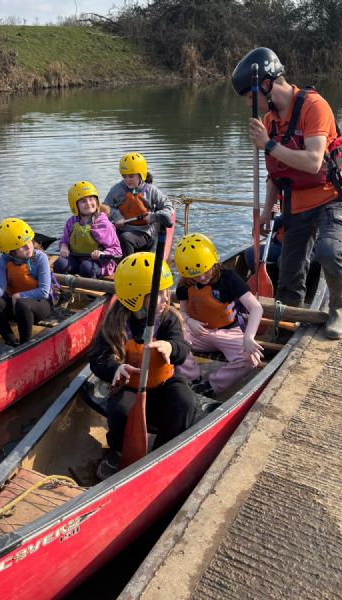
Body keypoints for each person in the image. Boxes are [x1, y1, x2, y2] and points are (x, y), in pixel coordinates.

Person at [232, 47, 342, 339]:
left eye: (249, 96)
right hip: (295, 207)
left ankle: (338, 307)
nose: (249, 103)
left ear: (265, 84)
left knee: (328, 250)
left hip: (329, 200)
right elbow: (275, 176)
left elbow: (313, 162)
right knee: (288, 279)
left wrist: (267, 144)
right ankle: (286, 331)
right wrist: (265, 213)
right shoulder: (270, 122)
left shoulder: (314, 106)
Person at [89, 251, 197, 480]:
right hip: (130, 386)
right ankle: (118, 451)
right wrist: (115, 369)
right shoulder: (116, 322)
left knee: (186, 402)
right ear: (136, 297)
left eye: (166, 291)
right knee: (119, 410)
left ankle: (165, 449)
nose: (166, 298)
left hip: (164, 383)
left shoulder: (168, 318)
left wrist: (171, 347)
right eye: (158, 293)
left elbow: (181, 348)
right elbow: (98, 359)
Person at [174, 233, 263, 397]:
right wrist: (189, 321)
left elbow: (256, 308)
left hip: (228, 331)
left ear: (213, 262)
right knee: (175, 342)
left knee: (251, 358)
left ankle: (211, 386)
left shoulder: (229, 278)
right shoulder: (185, 284)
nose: (202, 278)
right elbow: (183, 311)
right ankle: (191, 379)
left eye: (205, 271)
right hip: (198, 332)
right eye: (195, 275)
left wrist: (249, 337)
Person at [0, 218, 53, 347]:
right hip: (14, 308)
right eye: (22, 246)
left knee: (22, 303)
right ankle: (10, 340)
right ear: (11, 251)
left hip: (38, 305)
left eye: (29, 241)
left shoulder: (40, 258)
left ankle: (25, 344)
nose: (28, 246)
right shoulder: (4, 260)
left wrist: (19, 296)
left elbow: (44, 292)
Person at [104, 152, 174, 257]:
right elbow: (105, 207)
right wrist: (116, 216)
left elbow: (168, 206)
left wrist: (153, 217)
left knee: (125, 238)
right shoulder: (117, 189)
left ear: (141, 174)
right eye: (124, 176)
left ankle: (128, 263)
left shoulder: (151, 190)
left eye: (131, 176)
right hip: (121, 229)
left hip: (143, 232)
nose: (127, 180)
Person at [53, 180, 122, 279]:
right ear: (75, 205)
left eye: (91, 199)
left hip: (100, 263)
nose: (89, 203)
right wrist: (64, 247)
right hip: (76, 258)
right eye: (83, 201)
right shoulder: (71, 222)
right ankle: (63, 287)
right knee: (59, 264)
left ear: (97, 201)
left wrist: (103, 253)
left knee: (86, 267)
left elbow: (117, 251)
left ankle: (91, 289)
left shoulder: (104, 224)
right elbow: (64, 240)